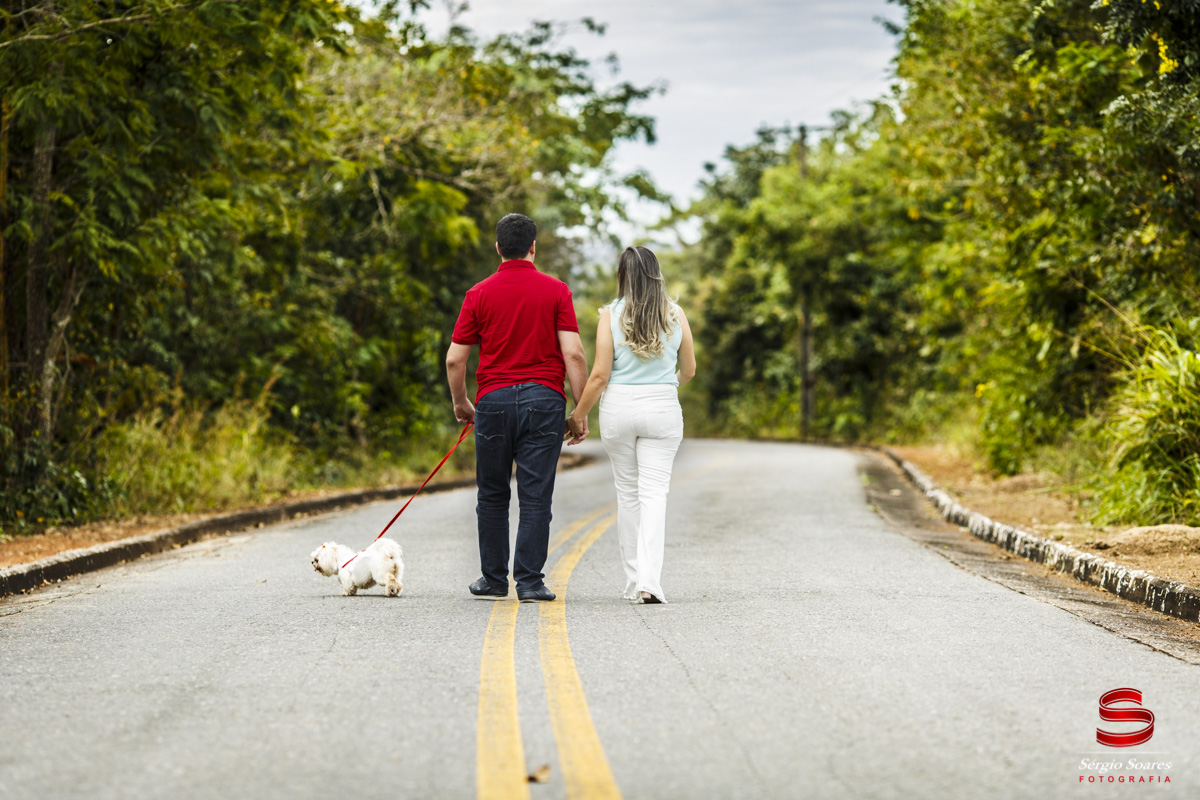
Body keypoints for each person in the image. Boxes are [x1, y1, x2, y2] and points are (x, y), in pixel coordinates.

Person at [446, 213, 589, 602]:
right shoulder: (556, 290)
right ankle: (529, 583)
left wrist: (462, 403)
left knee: (492, 493)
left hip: (492, 402)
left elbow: (455, 360)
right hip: (544, 401)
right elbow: (574, 354)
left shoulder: (478, 293)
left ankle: (493, 580)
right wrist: (580, 411)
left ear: (497, 247)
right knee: (535, 495)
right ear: (533, 246)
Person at [566, 246, 696, 604]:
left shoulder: (610, 314)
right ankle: (650, 582)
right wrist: (662, 382)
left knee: (628, 494)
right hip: (662, 407)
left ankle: (633, 578)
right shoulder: (676, 313)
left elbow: (600, 375)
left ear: (622, 276)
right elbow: (689, 371)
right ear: (656, 274)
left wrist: (579, 414)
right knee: (655, 494)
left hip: (619, 408)